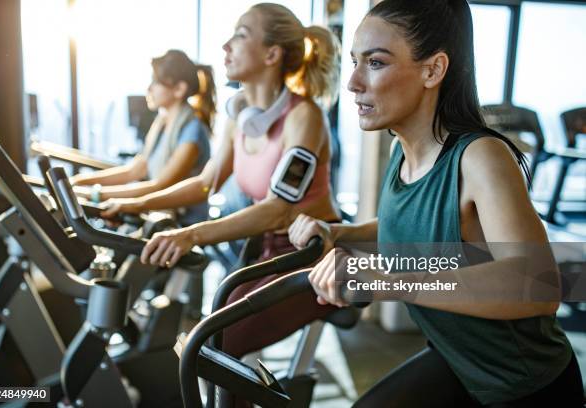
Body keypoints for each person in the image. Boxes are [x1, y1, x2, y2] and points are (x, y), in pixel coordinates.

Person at [288, 1, 584, 407]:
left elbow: (536, 283)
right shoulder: (402, 152)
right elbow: (415, 223)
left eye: (375, 63)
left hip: (522, 385)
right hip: (455, 359)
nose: (353, 82)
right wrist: (338, 233)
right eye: (355, 62)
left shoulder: (480, 157)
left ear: (433, 69)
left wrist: (386, 282)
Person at [104, 0, 340, 375]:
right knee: (211, 344)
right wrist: (132, 202)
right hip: (266, 252)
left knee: (216, 345)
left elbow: (279, 209)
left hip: (312, 256)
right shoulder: (241, 118)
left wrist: (191, 234)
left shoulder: (303, 117)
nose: (225, 46)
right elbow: (203, 185)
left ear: (271, 54)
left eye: (241, 35)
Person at [73, 49, 215, 226]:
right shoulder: (161, 124)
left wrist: (94, 194)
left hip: (179, 224)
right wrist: (80, 181)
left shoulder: (192, 131)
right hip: (156, 217)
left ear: (179, 89)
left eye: (156, 82)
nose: (149, 88)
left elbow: (160, 186)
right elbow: (135, 170)